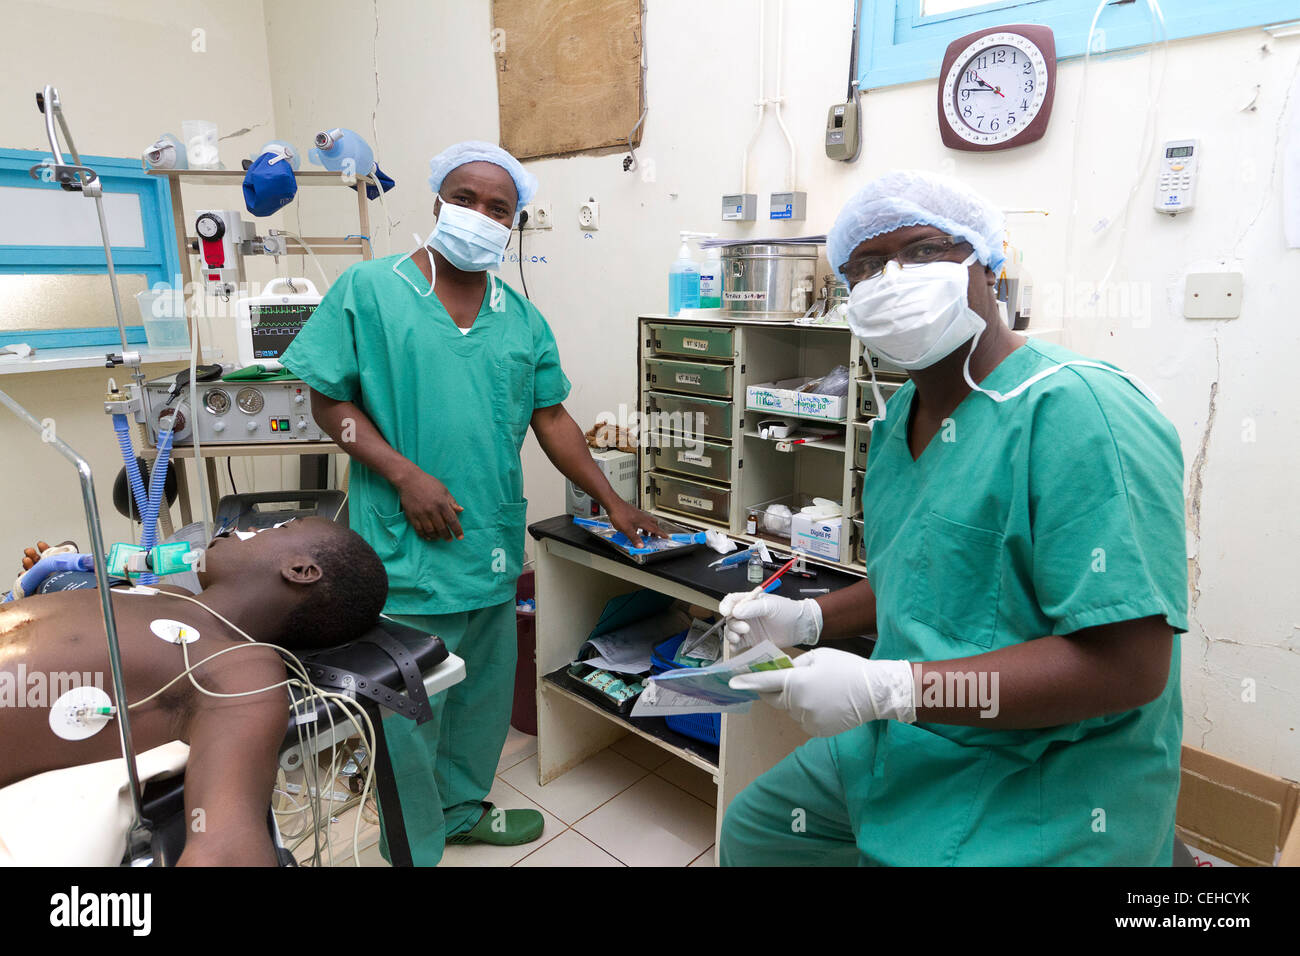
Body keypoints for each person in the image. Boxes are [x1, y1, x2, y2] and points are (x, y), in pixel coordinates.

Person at [718, 170, 1188, 866]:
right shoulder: (901, 417)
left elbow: (1127, 668)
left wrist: (893, 687)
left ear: (986, 265)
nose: (893, 280)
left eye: (925, 251)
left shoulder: (1079, 412)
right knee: (757, 830)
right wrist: (808, 620)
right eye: (867, 268)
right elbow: (930, 569)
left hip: (1044, 771)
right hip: (909, 737)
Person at [280, 140, 665, 864]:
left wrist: (612, 499)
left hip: (486, 544)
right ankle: (414, 844)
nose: (480, 215)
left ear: (514, 224)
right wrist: (402, 473)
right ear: (436, 204)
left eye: (499, 207)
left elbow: (551, 418)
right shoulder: (370, 290)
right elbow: (326, 399)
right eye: (465, 198)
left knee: (481, 704)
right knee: (408, 711)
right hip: (402, 550)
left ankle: (459, 812)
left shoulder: (520, 320)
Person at [0, 518, 388, 865]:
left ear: (300, 571)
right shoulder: (168, 595)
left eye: (277, 528)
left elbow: (227, 845)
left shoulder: (240, 664)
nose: (234, 528)